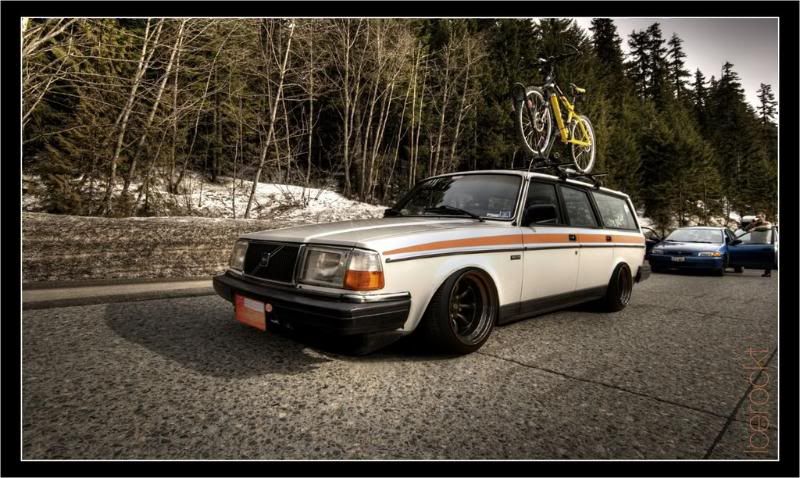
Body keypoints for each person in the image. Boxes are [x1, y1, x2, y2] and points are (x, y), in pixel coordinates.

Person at [745, 212, 773, 277]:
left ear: (763, 217)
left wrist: (755, 228)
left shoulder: (767, 223)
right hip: (753, 242)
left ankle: (767, 272)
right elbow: (746, 229)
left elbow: (767, 227)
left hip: (763, 243)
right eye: (757, 217)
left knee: (766, 258)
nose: (757, 218)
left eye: (759, 217)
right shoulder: (754, 224)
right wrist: (752, 223)